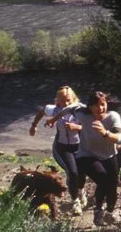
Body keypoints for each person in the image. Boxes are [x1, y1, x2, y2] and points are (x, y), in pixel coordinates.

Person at [54, 91, 121, 226]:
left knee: (112, 187)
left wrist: (105, 133)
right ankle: (98, 212)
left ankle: (110, 213)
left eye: (103, 105)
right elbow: (69, 109)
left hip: (109, 155)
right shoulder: (82, 114)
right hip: (87, 155)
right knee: (103, 180)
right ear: (90, 107)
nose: (100, 109)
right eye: (96, 106)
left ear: (107, 104)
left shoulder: (112, 117)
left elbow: (120, 138)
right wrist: (54, 119)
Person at [29, 86, 85, 215]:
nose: (65, 103)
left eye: (68, 100)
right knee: (72, 172)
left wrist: (75, 127)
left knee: (81, 173)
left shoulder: (80, 109)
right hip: (61, 148)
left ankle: (81, 192)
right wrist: (33, 126)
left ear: (73, 98)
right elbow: (42, 111)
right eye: (61, 101)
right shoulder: (54, 110)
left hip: (79, 146)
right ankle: (75, 202)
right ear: (57, 100)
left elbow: (89, 125)